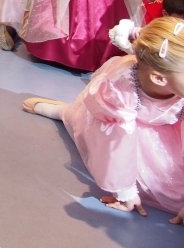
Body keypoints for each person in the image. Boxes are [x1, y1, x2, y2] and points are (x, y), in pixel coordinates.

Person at [23, 17, 184, 223]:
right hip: (120, 124)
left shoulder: (176, 83)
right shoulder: (121, 87)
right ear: (159, 78)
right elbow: (117, 140)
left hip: (166, 125)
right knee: (82, 122)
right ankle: (65, 112)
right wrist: (125, 191)